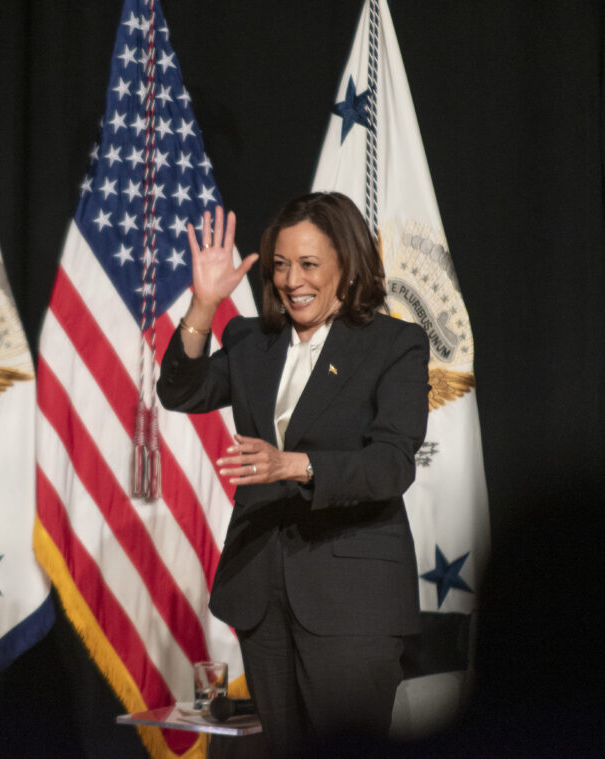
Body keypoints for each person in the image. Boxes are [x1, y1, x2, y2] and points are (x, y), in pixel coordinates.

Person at [158, 192, 430, 757]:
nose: (291, 280)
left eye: (309, 264)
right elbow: (180, 391)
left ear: (347, 268)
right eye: (281, 265)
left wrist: (295, 465)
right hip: (262, 588)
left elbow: (391, 464)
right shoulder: (252, 342)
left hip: (351, 596)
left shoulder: (393, 346)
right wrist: (205, 305)